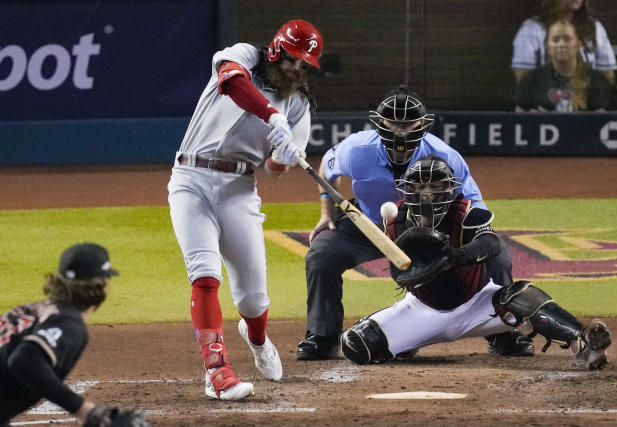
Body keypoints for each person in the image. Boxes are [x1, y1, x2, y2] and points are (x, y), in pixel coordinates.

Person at [297, 85, 534, 361]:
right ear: (380, 121)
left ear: (423, 123)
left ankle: (503, 331)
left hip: (432, 230)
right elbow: (327, 166)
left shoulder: (445, 156)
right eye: (393, 122)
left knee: (498, 257)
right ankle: (322, 337)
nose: (400, 130)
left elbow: (474, 206)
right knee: (322, 254)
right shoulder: (357, 149)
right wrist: (327, 213)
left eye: (408, 123)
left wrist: (471, 246)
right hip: (369, 224)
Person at [167, 20, 323, 401]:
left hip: (239, 190)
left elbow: (274, 169)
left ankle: (256, 339)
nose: (296, 70)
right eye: (292, 60)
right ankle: (217, 372)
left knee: (253, 300)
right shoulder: (243, 57)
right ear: (276, 51)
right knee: (204, 275)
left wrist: (284, 158)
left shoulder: (299, 106)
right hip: (191, 178)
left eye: (304, 65)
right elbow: (233, 83)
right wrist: (272, 116)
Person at [339, 156, 612, 372]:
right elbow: (401, 276)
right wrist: (418, 270)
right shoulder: (395, 221)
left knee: (519, 293)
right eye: (420, 186)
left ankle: (583, 343)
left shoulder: (468, 213)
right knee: (355, 344)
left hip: (479, 305)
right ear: (408, 189)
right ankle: (408, 343)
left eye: (435, 186)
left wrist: (456, 256)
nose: (427, 194)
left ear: (450, 188)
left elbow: (491, 243)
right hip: (423, 311)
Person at [1, 243, 148, 426]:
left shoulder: (30, 310)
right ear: (102, 285)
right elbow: (23, 359)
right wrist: (85, 410)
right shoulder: (70, 325)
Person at [514, 19, 610, 112]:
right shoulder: (531, 80)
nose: (561, 44)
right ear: (547, 46)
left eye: (567, 39)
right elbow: (518, 119)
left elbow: (601, 120)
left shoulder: (596, 79)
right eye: (555, 40)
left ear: (578, 44)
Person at [512, 0, 617, 84]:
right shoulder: (531, 29)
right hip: (545, 103)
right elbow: (522, 79)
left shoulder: (594, 27)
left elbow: (607, 74)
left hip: (587, 101)